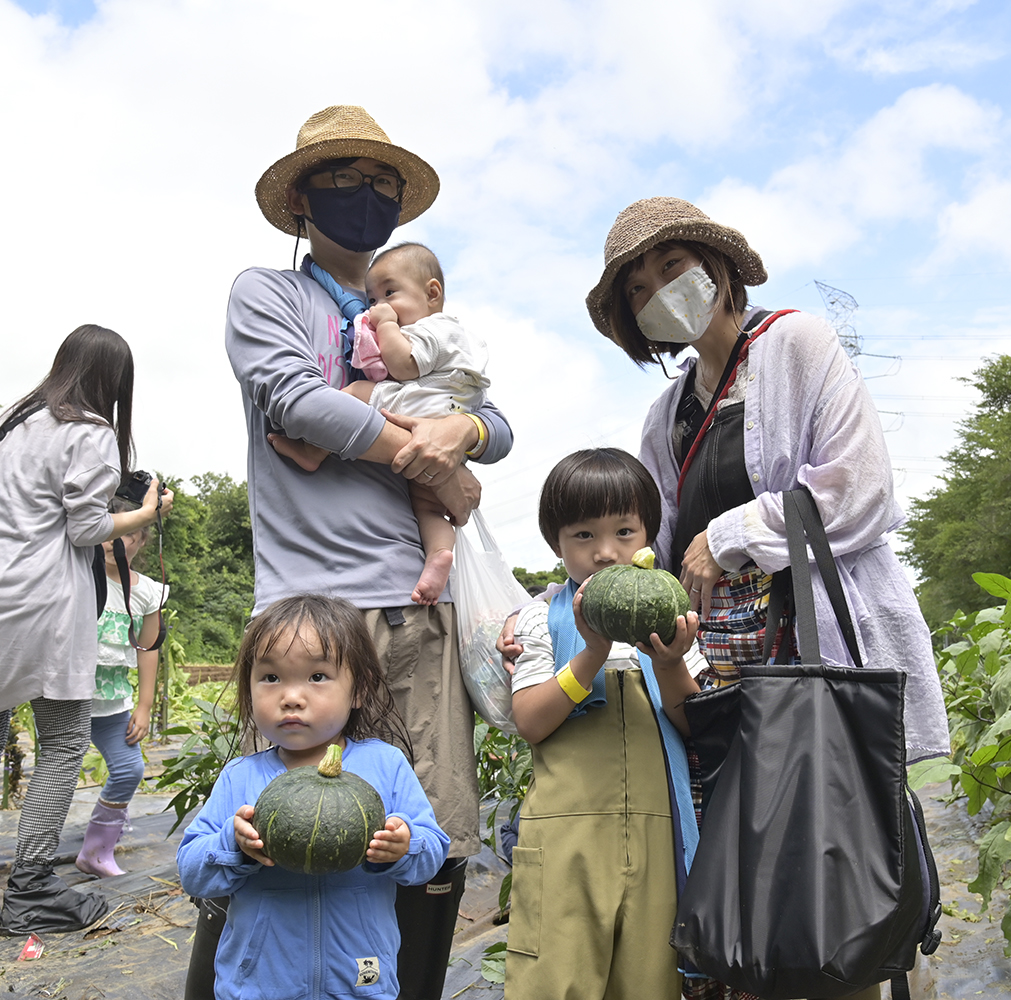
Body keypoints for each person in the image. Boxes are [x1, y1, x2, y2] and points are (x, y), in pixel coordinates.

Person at [584, 197, 952, 1000]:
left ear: (717, 268)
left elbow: (861, 489)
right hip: (723, 676)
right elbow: (654, 544)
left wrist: (733, 532)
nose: (659, 291)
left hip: (810, 654)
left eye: (672, 267)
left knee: (835, 871)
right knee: (753, 885)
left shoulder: (795, 345)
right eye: (639, 288)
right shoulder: (667, 412)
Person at [200, 105, 514, 1000]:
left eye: (382, 183)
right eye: (343, 180)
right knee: (278, 826)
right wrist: (422, 450)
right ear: (301, 199)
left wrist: (467, 428)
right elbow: (297, 402)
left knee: (428, 829)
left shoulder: (415, 319)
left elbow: (494, 417)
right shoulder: (270, 294)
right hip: (310, 614)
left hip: (420, 611)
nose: (365, 197)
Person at [0, 324, 175, 943]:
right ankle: (32, 892)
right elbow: (88, 526)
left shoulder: (6, 422)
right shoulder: (92, 432)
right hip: (40, 599)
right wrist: (146, 512)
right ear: (114, 381)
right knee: (63, 740)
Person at [505, 448, 705, 1000]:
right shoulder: (538, 619)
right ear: (557, 544)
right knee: (552, 979)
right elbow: (531, 722)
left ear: (649, 537)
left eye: (624, 532)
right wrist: (590, 653)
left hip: (656, 832)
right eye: (583, 536)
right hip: (562, 835)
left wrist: (668, 665)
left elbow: (696, 727)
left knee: (648, 983)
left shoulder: (671, 617)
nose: (606, 552)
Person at [177, 594, 449, 1000]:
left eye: (317, 676)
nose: (291, 696)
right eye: (270, 678)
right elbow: (192, 871)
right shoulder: (241, 777)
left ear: (359, 689)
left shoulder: (385, 765)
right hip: (259, 986)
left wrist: (405, 846)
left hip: (360, 982)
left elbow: (432, 854)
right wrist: (232, 847)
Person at [269, 241, 489, 605]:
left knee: (355, 390)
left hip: (420, 408)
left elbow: (403, 366)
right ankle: (439, 554)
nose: (379, 306)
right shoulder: (464, 336)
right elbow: (486, 412)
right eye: (372, 300)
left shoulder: (429, 330)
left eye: (389, 293)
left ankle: (314, 451)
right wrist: (459, 450)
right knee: (429, 506)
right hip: (446, 418)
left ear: (432, 293)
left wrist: (386, 326)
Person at [75, 498, 167, 878]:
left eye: (130, 534)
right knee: (58, 773)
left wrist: (144, 706)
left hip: (113, 703)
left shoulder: (147, 591)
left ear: (141, 542)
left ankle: (97, 852)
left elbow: (149, 650)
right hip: (68, 699)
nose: (118, 541)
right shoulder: (78, 574)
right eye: (112, 529)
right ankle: (37, 853)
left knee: (129, 770)